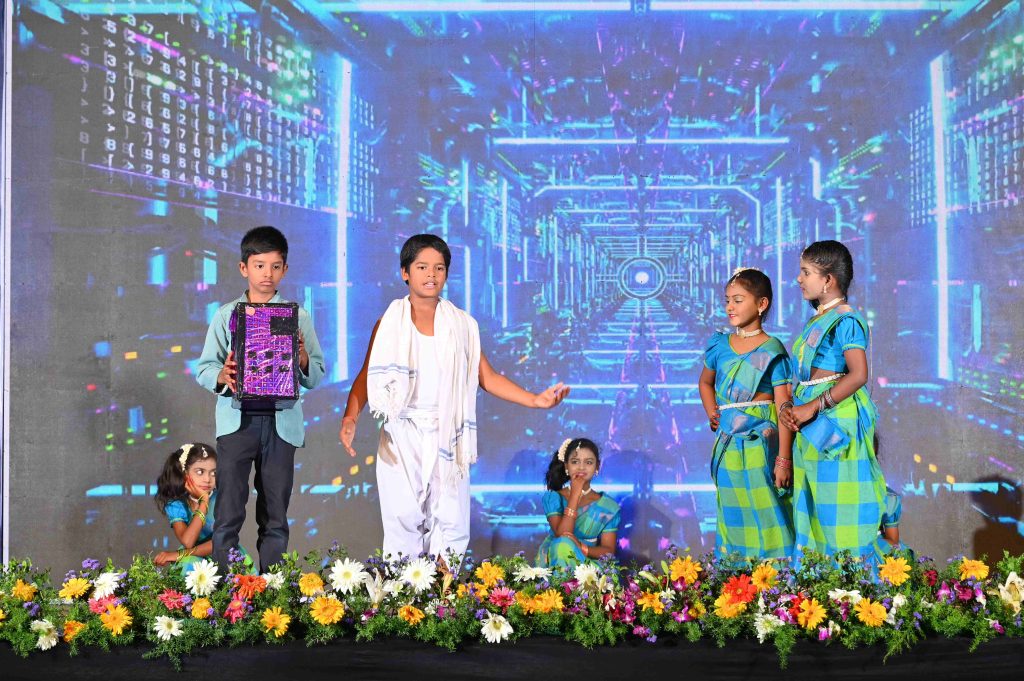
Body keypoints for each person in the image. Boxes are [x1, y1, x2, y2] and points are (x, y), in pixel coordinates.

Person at [339, 234, 569, 566]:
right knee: (402, 516)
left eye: (439, 268)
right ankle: (405, 591)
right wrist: (351, 416)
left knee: (451, 521)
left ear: (447, 274)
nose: (431, 274)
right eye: (422, 267)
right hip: (401, 433)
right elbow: (366, 375)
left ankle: (443, 593)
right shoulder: (388, 324)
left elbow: (487, 377)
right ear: (405, 272)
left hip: (449, 432)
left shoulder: (462, 325)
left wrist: (535, 400)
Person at [196, 226, 325, 572]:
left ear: (285, 269)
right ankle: (227, 588)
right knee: (228, 512)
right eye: (259, 265)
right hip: (237, 422)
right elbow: (204, 367)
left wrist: (302, 359)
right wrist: (222, 375)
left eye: (275, 266)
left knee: (275, 515)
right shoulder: (227, 315)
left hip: (281, 424)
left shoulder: (297, 316)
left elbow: (316, 374)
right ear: (244, 268)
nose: (267, 274)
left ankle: (273, 588)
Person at [779, 240, 888, 565]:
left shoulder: (846, 320)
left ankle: (852, 586)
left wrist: (811, 407)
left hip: (834, 423)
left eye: (806, 272)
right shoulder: (819, 318)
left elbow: (858, 374)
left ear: (828, 279)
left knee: (838, 508)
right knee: (812, 506)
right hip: (809, 422)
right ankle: (816, 582)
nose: (799, 279)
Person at [698, 267, 795, 560]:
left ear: (762, 304)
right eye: (727, 300)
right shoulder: (719, 345)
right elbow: (705, 382)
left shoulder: (772, 349)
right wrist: (712, 411)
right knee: (731, 510)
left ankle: (777, 579)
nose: (730, 306)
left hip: (761, 442)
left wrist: (784, 459)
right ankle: (734, 577)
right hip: (727, 441)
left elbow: (784, 406)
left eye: (738, 300)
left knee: (768, 508)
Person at [152, 443, 252, 573]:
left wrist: (180, 554)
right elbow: (188, 542)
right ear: (184, 473)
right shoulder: (177, 504)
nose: (207, 479)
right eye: (200, 472)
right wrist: (204, 502)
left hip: (223, 553)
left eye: (213, 473)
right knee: (190, 565)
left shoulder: (222, 499)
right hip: (193, 557)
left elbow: (222, 542)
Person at [536, 437, 620, 567]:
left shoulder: (609, 507)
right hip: (556, 561)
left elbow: (608, 552)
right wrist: (575, 494)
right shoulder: (554, 498)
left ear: (597, 466)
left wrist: (581, 547)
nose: (581, 467)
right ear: (566, 466)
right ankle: (563, 581)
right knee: (561, 546)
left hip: (589, 566)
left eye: (588, 462)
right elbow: (562, 536)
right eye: (575, 462)